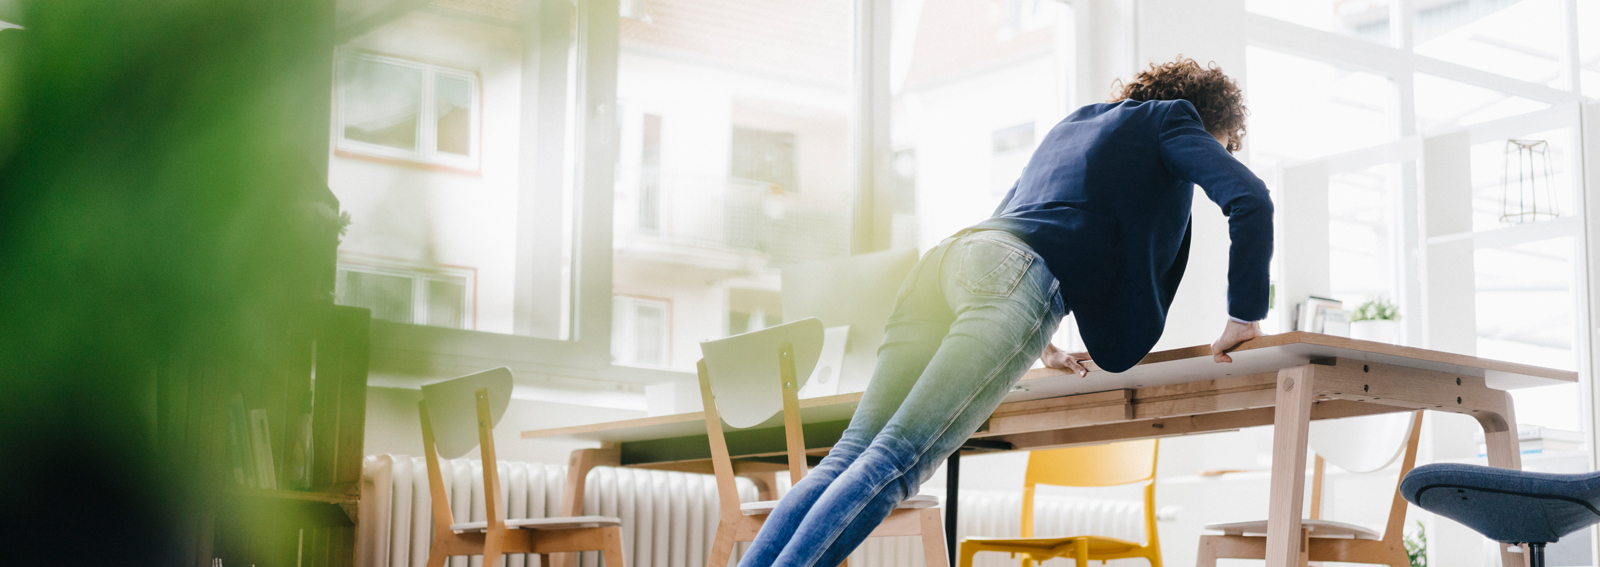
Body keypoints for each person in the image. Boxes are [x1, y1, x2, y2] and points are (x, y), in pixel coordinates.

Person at [737, 56, 1273, 567]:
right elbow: (1250, 198)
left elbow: (1012, 222)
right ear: (1209, 126)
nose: (1217, 155)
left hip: (946, 263)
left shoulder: (1076, 125)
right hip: (1013, 277)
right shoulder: (1174, 122)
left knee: (847, 455)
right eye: (1220, 146)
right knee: (896, 461)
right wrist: (1244, 315)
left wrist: (1040, 340)